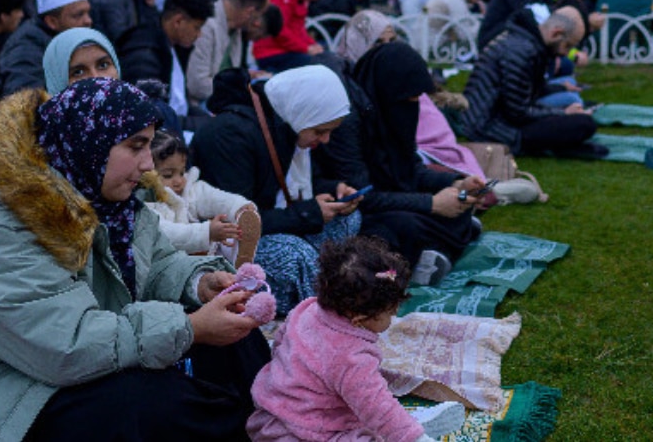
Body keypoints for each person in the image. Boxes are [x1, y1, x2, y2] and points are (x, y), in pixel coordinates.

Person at [0, 77, 270, 441]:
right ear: (89, 142)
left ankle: (271, 428)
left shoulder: (108, 201)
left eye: (149, 144)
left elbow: (157, 263)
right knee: (148, 402)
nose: (148, 163)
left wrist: (198, 284)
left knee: (236, 340)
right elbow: (65, 346)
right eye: (135, 145)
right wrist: (189, 327)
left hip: (33, 368)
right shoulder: (2, 220)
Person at [247, 235, 463, 442]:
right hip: (307, 433)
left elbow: (278, 346)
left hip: (269, 417)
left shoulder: (307, 308)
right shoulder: (352, 357)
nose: (395, 315)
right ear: (359, 318)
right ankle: (410, 432)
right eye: (390, 311)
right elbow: (376, 406)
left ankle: (405, 427)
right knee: (373, 430)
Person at [191, 65, 361, 314]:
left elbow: (287, 188)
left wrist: (334, 191)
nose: (325, 140)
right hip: (227, 243)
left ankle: (309, 290)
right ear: (303, 112)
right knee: (294, 254)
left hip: (272, 222)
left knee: (347, 220)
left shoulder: (284, 125)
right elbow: (240, 221)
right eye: (320, 131)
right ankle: (317, 315)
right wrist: (310, 213)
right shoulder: (231, 134)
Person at [316, 42, 483, 272]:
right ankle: (424, 257)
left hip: (388, 196)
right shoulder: (348, 122)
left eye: (417, 100)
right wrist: (432, 204)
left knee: (447, 212)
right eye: (408, 100)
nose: (412, 107)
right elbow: (363, 195)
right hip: (356, 210)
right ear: (388, 91)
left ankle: (434, 249)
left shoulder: (389, 110)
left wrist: (455, 183)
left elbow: (410, 167)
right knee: (404, 226)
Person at [463, 6, 602, 158]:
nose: (566, 53)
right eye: (567, 46)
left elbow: (526, 95)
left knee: (576, 119)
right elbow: (518, 113)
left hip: (492, 121)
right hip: (491, 129)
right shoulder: (522, 51)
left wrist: (560, 93)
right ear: (556, 33)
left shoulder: (524, 43)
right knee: (584, 124)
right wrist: (563, 113)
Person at [145, 129, 261, 267]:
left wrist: (238, 207)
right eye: (168, 175)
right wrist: (206, 232)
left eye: (182, 172)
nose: (179, 181)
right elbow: (166, 233)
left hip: (197, 258)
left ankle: (241, 266)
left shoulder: (189, 188)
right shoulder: (145, 203)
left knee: (230, 234)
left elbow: (213, 198)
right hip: (164, 267)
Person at [0, 0, 93, 94]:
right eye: (79, 15)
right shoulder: (26, 48)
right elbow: (26, 99)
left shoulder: (72, 37)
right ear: (52, 22)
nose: (88, 21)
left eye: (88, 13)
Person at [187, 0, 269, 107]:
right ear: (249, 12)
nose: (257, 23)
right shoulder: (206, 25)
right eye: (257, 16)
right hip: (202, 106)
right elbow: (198, 85)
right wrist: (238, 90)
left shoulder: (236, 28)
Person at [253, 0, 332, 72]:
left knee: (327, 57)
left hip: (286, 49)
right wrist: (306, 48)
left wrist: (312, 45)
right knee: (319, 66)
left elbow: (298, 28)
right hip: (271, 51)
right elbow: (279, 30)